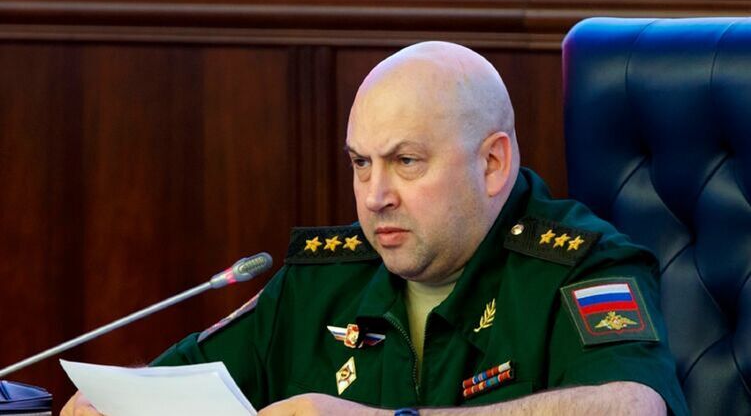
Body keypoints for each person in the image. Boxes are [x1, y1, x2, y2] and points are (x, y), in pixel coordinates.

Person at [62, 41, 688, 415]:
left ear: (493, 163)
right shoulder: (319, 282)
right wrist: (110, 404)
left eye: (406, 162)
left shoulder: (582, 266)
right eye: (361, 164)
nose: (375, 197)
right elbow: (165, 390)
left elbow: (633, 404)